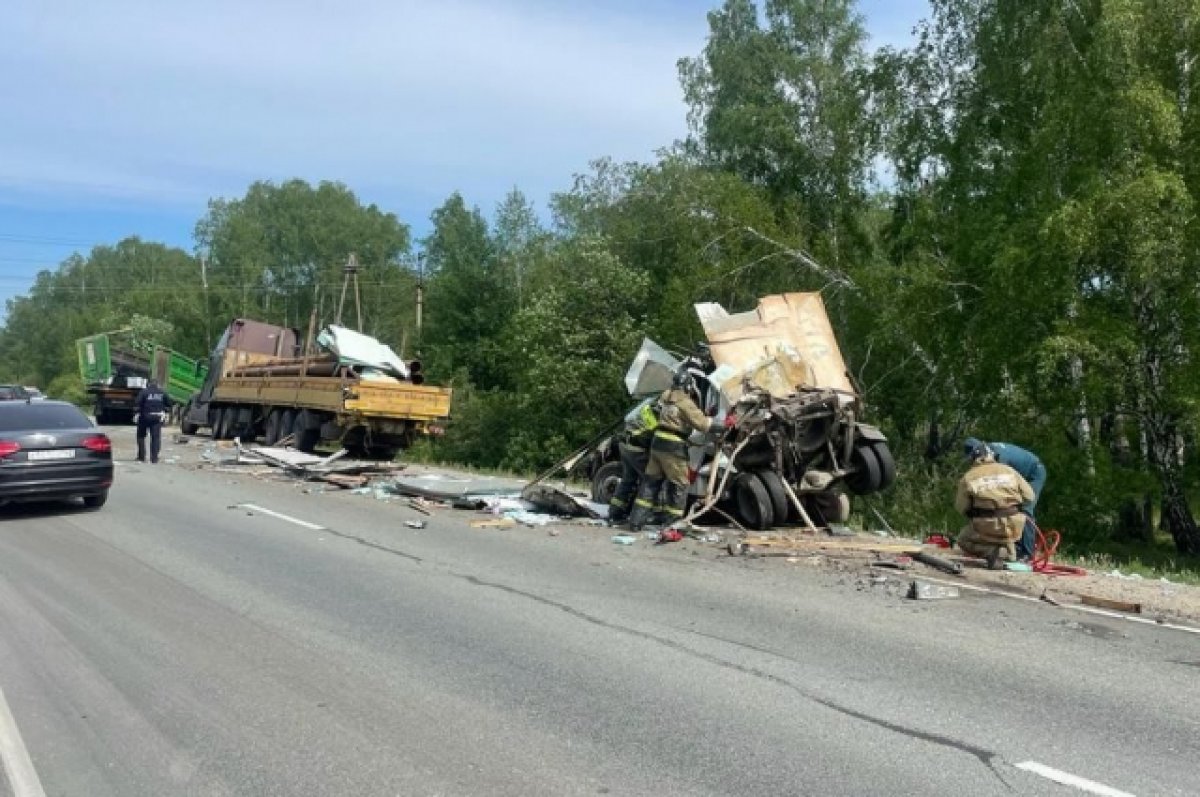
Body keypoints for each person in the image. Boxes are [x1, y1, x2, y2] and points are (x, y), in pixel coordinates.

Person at [628, 369, 731, 532]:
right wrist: (725, 425)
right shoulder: (685, 402)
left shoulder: (666, 396)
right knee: (679, 485)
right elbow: (703, 424)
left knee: (651, 483)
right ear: (688, 386)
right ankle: (672, 523)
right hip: (673, 447)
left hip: (657, 443)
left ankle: (635, 521)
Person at [955, 441, 1035, 569]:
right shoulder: (1010, 471)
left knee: (962, 540)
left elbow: (961, 508)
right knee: (1007, 534)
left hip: (987, 526)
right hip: (1014, 526)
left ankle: (991, 551)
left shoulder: (968, 478)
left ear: (973, 459)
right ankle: (1010, 555)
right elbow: (1030, 497)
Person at [608, 398, 659, 525]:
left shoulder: (647, 403)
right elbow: (656, 434)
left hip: (625, 445)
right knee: (648, 482)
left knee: (628, 480)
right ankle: (640, 516)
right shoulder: (655, 411)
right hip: (637, 449)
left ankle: (614, 512)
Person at [135, 379, 171, 464]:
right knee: (155, 438)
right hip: (157, 418)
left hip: (144, 417)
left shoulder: (144, 392)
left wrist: (137, 412)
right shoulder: (162, 393)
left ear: (148, 384)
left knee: (141, 436)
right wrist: (165, 410)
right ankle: (154, 458)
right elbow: (169, 403)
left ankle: (141, 456)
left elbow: (137, 403)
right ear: (157, 384)